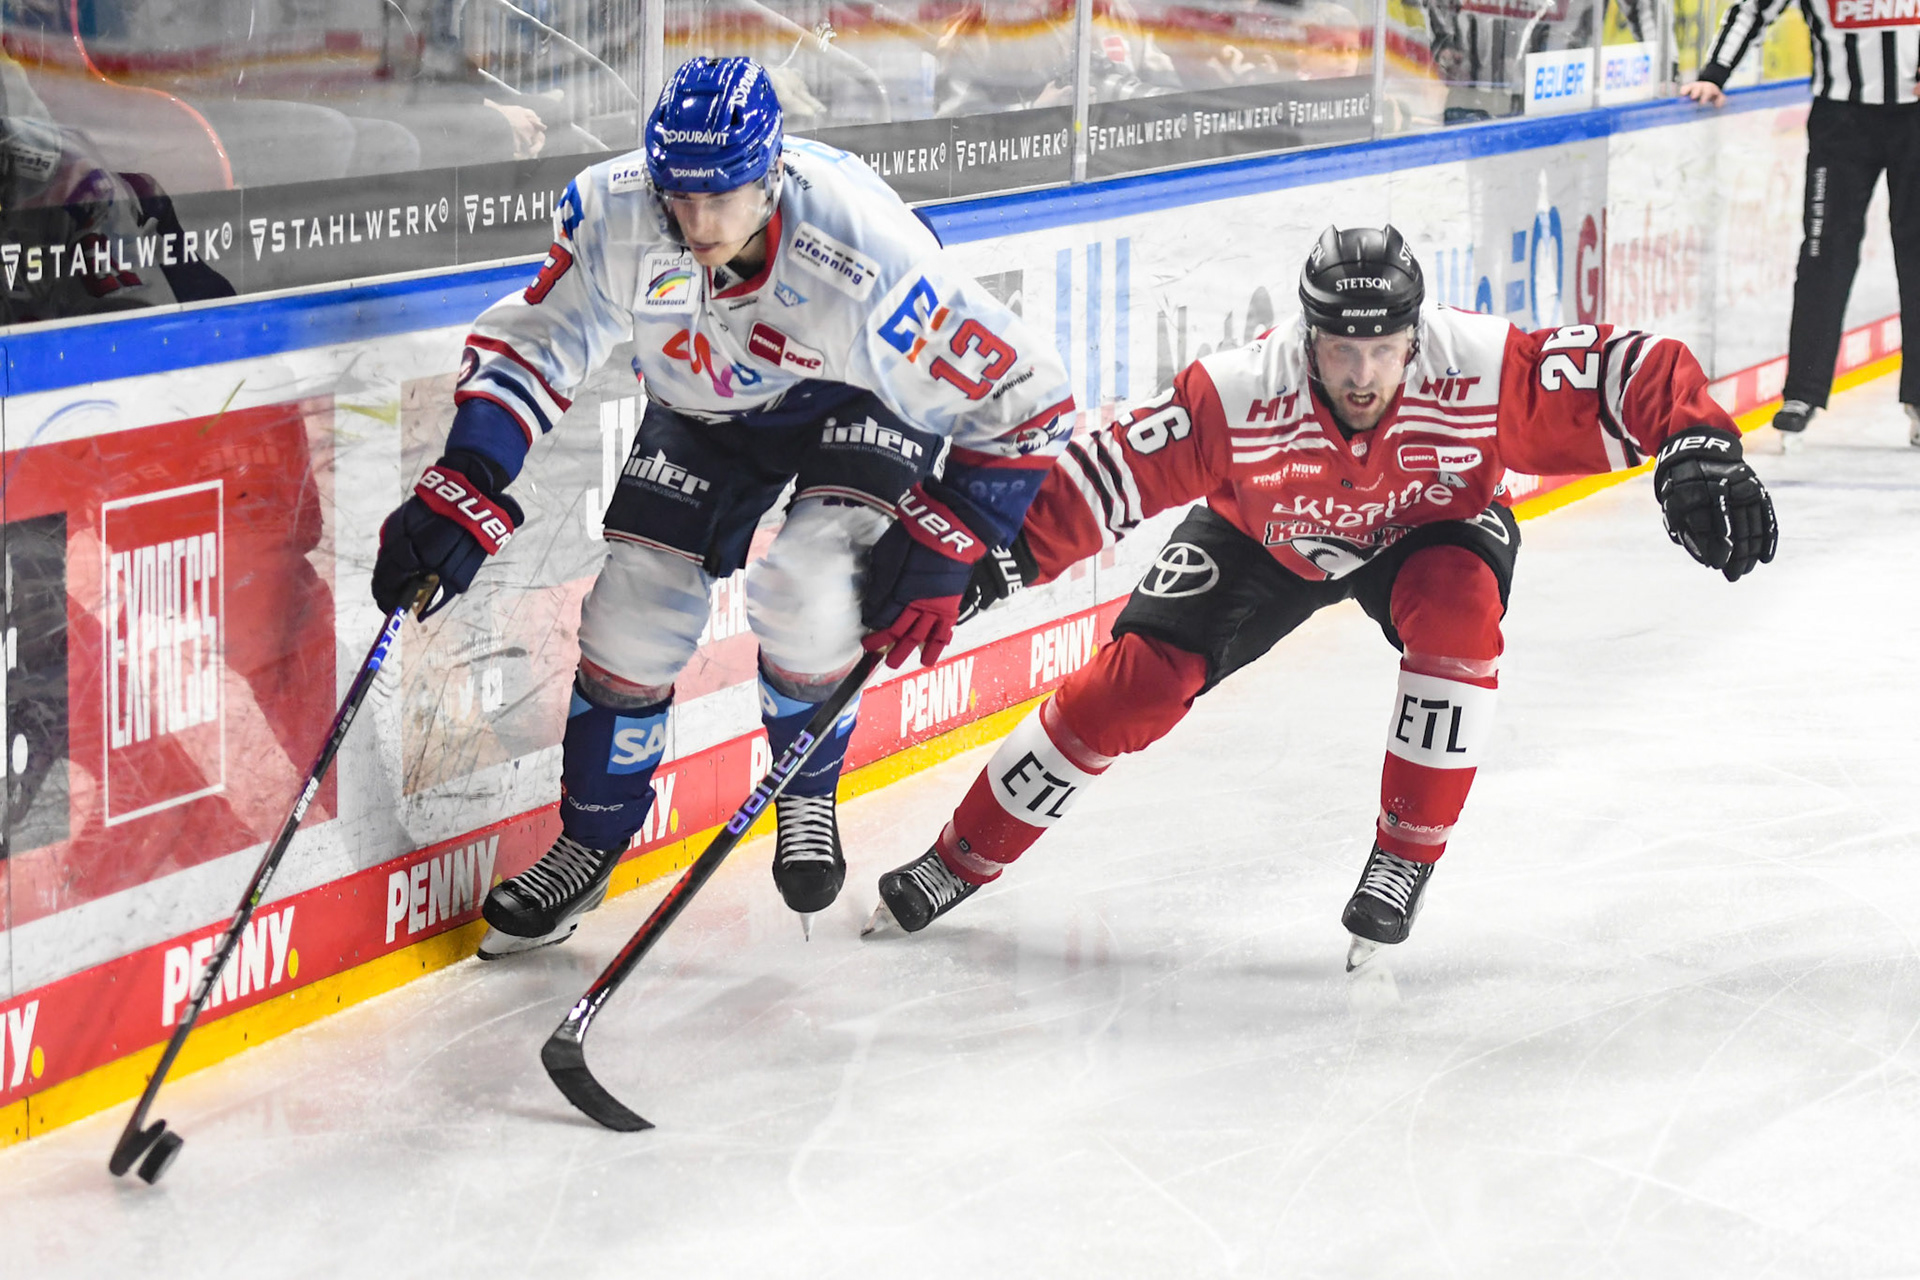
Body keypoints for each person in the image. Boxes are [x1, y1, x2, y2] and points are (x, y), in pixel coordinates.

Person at [868, 225, 1777, 969]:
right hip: (1264, 539)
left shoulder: (1479, 363)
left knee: (1461, 621)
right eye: (1343, 347)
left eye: (1384, 347)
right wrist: (986, 556)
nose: (1363, 374)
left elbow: (1628, 366)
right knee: (1132, 687)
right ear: (1310, 336)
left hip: (1430, 529)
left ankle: (1403, 857)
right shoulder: (1235, 394)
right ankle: (959, 858)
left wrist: (1699, 442)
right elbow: (1111, 474)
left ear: (1415, 335)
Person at [371, 55, 1073, 957]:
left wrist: (952, 537)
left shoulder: (863, 253)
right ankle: (588, 844)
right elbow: (541, 339)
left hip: (855, 397)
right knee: (632, 614)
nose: (696, 222)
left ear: (771, 173)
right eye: (679, 196)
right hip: (704, 406)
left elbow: (1029, 395)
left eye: (722, 196)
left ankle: (807, 790)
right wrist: (471, 473)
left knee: (810, 590)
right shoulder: (617, 208)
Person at [1682, 0, 1920, 447]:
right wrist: (1716, 73)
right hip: (1842, 119)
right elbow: (1752, 9)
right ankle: (1802, 393)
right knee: (1823, 253)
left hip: (1916, 118)